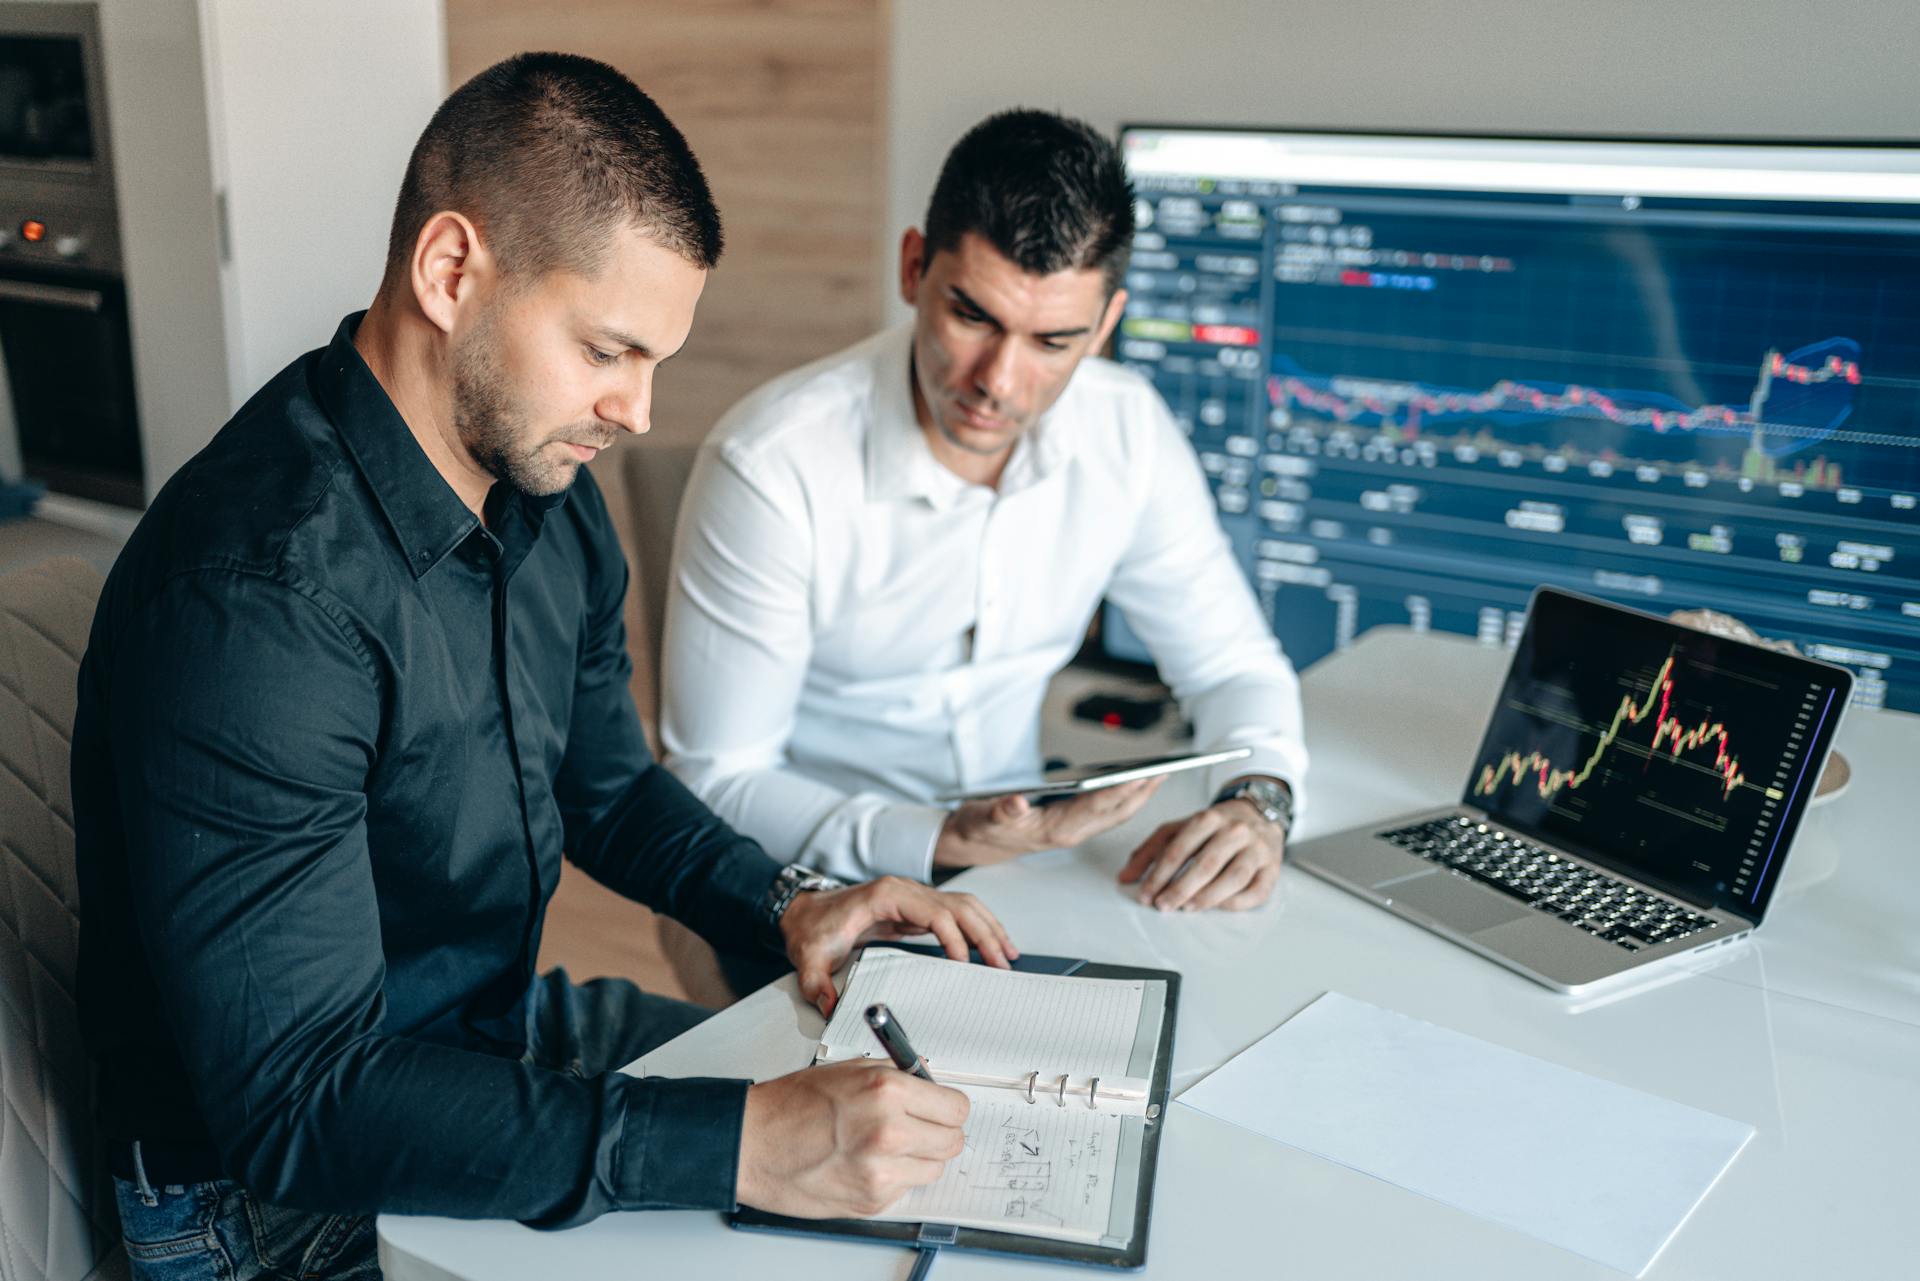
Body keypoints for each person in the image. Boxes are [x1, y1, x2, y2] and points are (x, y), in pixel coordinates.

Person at [72, 53, 1013, 1281]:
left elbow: (609, 791)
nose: (639, 410)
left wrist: (791, 903)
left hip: (489, 1033)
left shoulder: (543, 490)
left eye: (657, 361)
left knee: (902, 1160)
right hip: (265, 1193)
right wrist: (740, 1146)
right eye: (610, 349)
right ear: (451, 270)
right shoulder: (256, 601)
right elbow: (300, 1102)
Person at [662, 108, 1307, 926]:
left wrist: (1259, 800)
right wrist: (934, 838)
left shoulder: (1128, 431)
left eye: (1053, 341)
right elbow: (714, 779)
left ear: (1105, 327)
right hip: (807, 890)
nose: (999, 380)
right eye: (973, 317)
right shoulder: (772, 465)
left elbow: (1232, 666)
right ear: (912, 269)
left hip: (1022, 872)